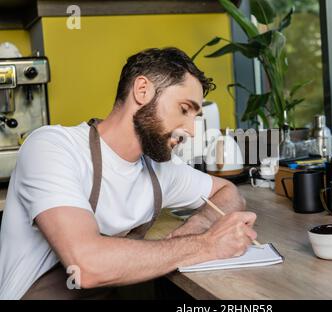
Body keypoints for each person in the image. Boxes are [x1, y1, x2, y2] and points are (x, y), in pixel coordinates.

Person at [0, 47, 257, 299]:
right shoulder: (53, 147)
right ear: (142, 90)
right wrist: (207, 244)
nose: (190, 130)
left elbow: (228, 192)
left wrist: (198, 225)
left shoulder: (160, 170)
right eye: (184, 109)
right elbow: (87, 266)